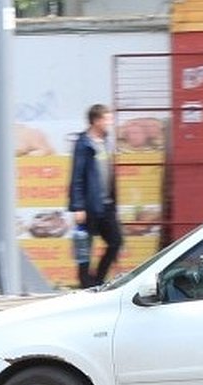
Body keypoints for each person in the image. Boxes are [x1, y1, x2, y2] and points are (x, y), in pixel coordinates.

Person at [69, 103, 123, 288]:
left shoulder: (105, 142)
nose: (110, 122)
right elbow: (77, 176)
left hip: (107, 204)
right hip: (90, 205)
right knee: (86, 245)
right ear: (96, 121)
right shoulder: (84, 144)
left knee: (115, 241)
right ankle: (85, 284)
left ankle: (98, 279)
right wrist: (78, 206)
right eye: (107, 119)